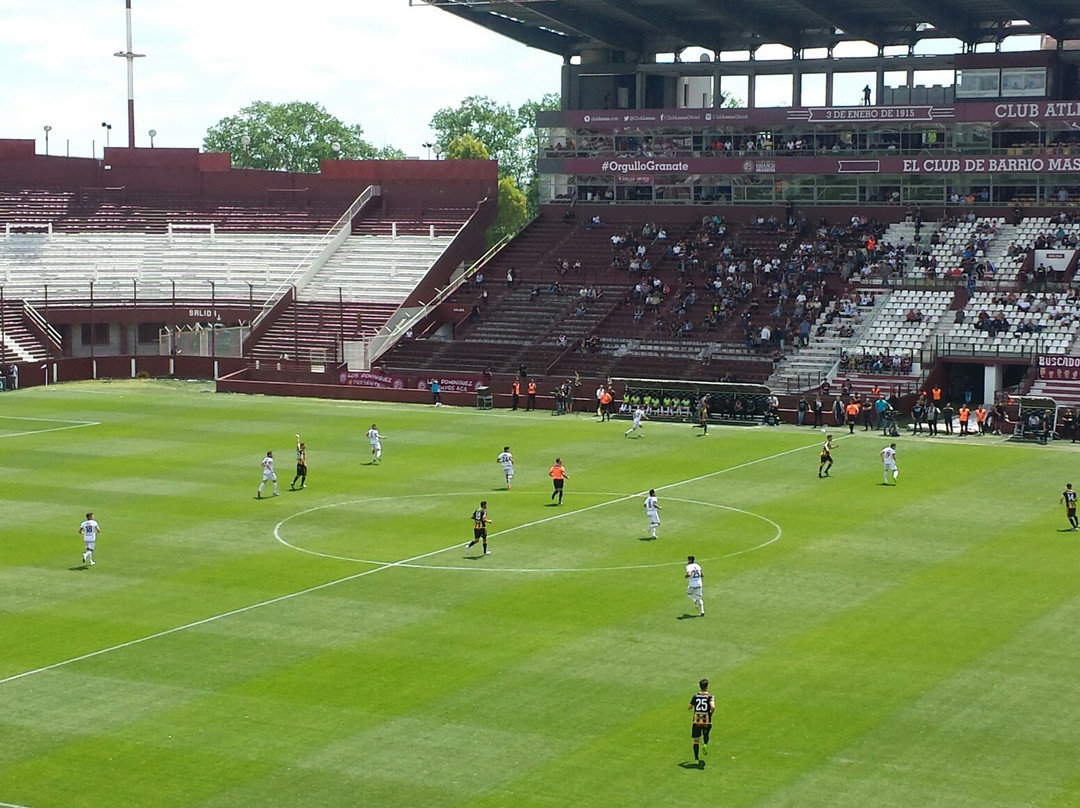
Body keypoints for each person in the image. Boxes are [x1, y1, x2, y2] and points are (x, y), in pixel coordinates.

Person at [688, 678, 716, 765]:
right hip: (706, 719)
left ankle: (696, 758)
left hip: (697, 720)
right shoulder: (710, 696)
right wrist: (710, 714)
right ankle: (705, 744)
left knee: (696, 740)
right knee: (706, 733)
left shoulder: (695, 696)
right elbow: (713, 707)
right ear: (706, 687)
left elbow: (689, 707)